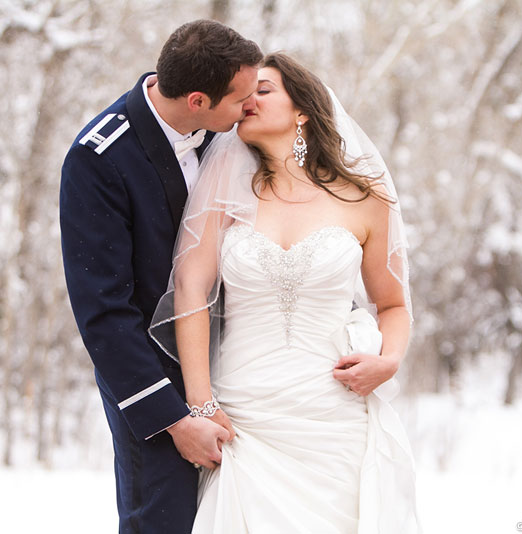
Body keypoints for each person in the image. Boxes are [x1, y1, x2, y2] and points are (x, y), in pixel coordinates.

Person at [149, 53, 421, 532]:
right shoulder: (224, 198)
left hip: (333, 417)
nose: (248, 100)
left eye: (265, 89)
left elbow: (393, 304)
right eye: (245, 92)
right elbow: (191, 288)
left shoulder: (366, 198)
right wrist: (202, 401)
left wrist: (390, 359)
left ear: (304, 111)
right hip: (245, 415)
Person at [59, 20, 262, 533]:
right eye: (239, 99)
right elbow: (103, 312)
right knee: (162, 520)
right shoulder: (98, 159)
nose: (249, 108)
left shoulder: (236, 138)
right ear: (198, 100)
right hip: (154, 374)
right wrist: (173, 420)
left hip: (243, 368)